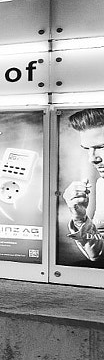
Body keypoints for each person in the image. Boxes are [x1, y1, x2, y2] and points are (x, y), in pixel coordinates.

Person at [64, 107, 104, 262]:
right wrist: (80, 217)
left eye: (101, 147)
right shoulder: (102, 185)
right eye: (87, 149)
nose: (92, 159)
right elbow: (97, 253)